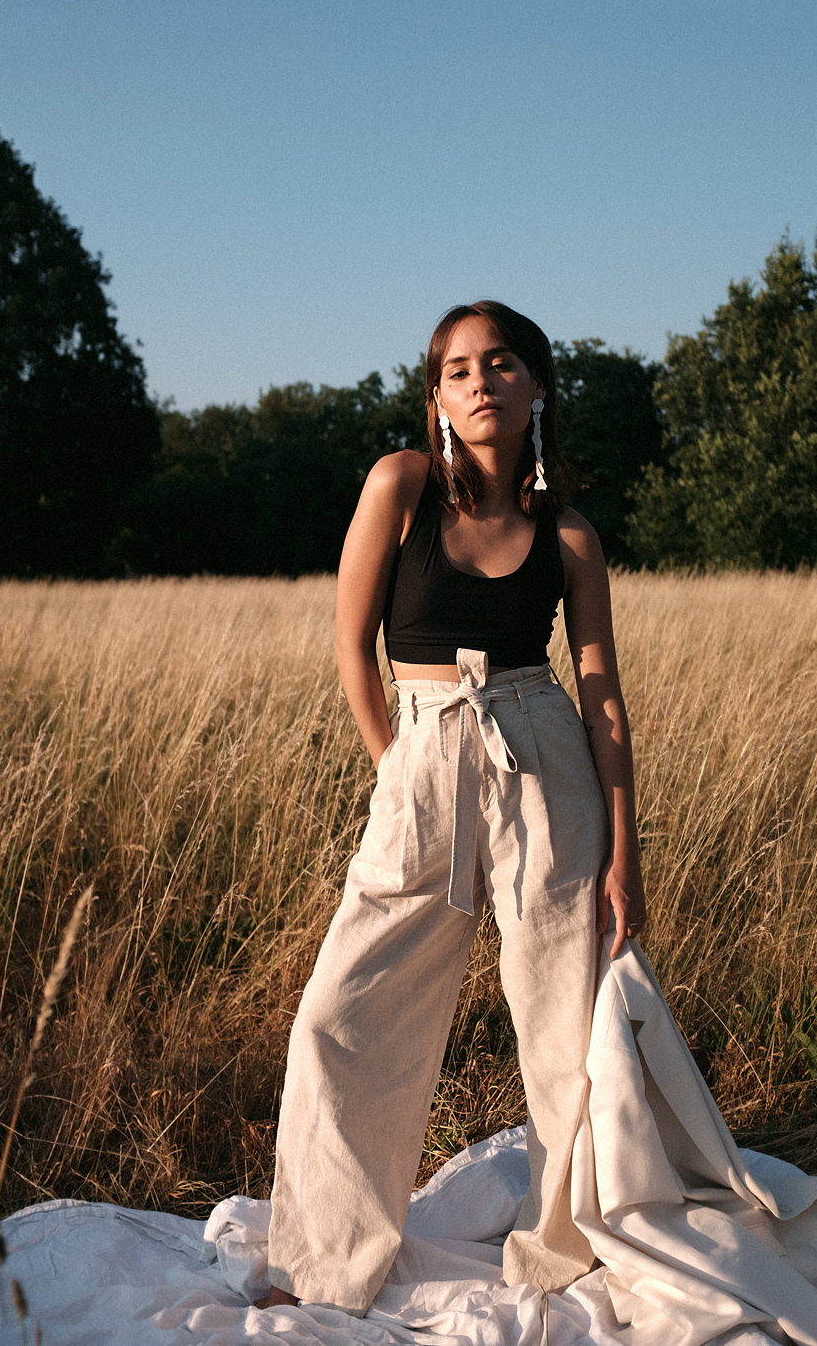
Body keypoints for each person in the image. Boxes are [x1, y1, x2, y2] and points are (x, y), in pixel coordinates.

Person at [258, 299, 647, 1314]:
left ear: (536, 387)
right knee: (342, 1019)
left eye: (501, 362)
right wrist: (400, 769)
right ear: (436, 396)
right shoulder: (401, 485)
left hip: (543, 760)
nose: (481, 381)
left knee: (567, 1023)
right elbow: (352, 646)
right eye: (458, 369)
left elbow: (601, 693)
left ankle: (561, 1255)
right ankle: (322, 1268)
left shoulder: (568, 534)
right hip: (424, 751)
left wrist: (625, 852)